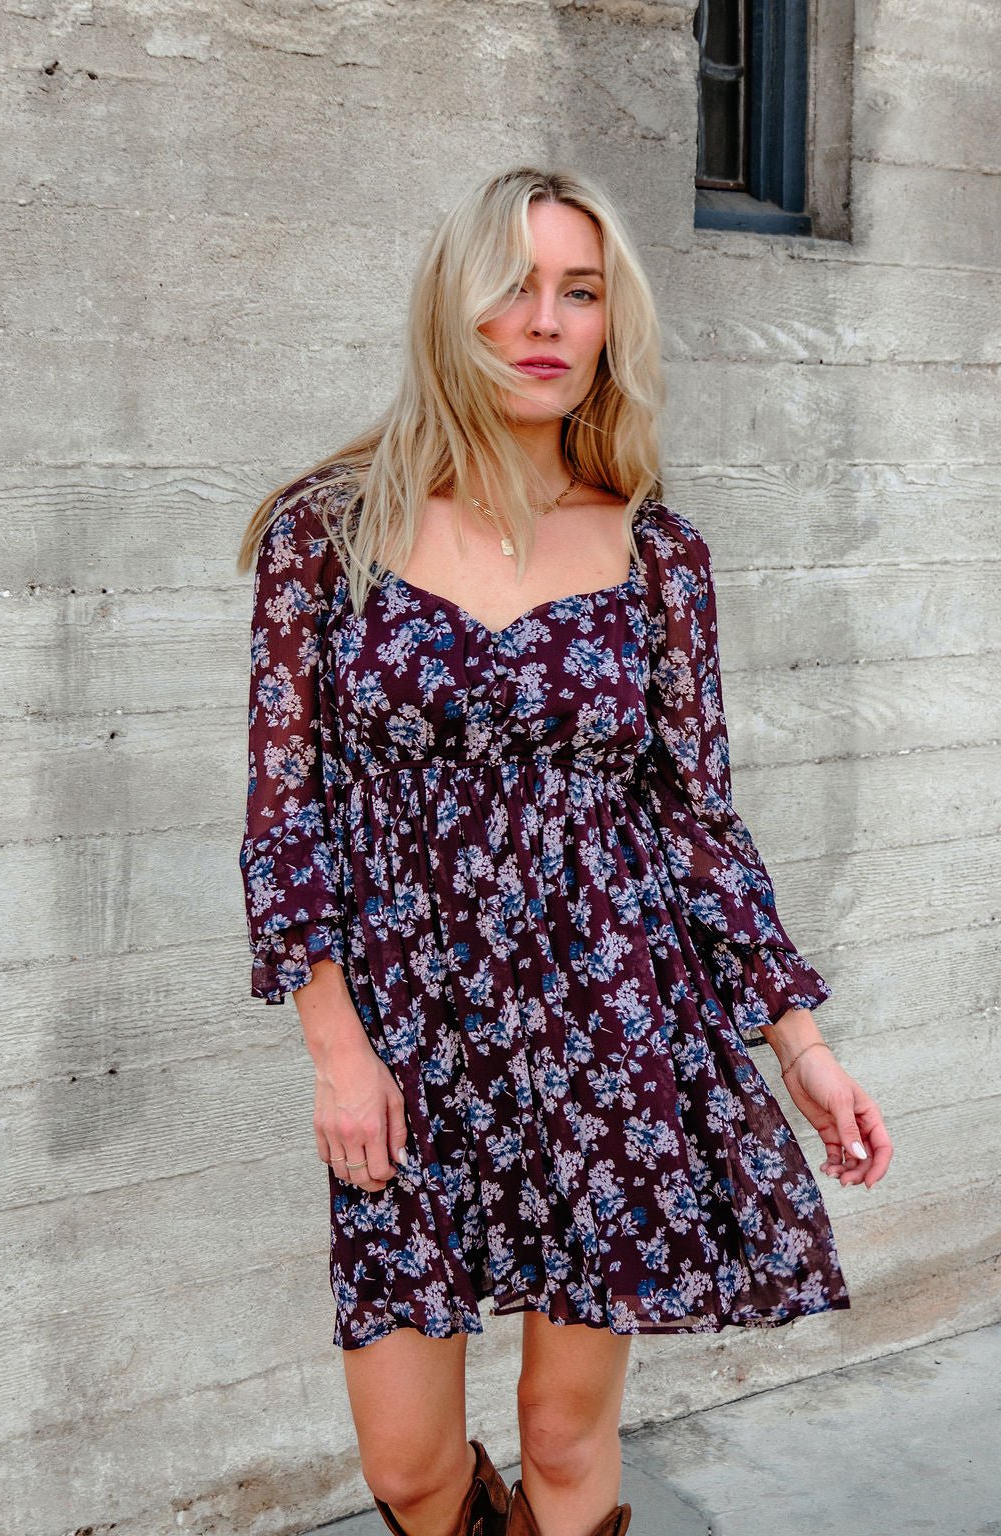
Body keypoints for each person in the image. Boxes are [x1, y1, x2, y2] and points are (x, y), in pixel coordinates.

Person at [236, 166, 893, 1536]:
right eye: (514, 288)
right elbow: (287, 818)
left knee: (564, 1433)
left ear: (609, 322)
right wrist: (337, 1051)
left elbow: (699, 823)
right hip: (410, 1038)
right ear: (453, 310)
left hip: (611, 1033)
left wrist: (803, 1048)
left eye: (579, 291)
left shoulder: (657, 555)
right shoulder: (328, 534)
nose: (546, 321)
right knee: (410, 1465)